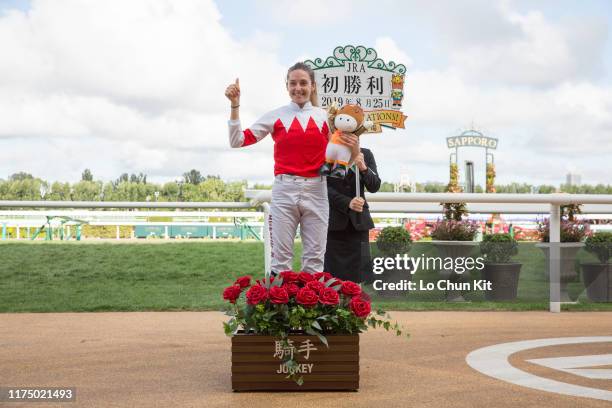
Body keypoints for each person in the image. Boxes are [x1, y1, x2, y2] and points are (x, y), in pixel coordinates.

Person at [224, 62, 358, 275]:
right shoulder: (275, 115)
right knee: (281, 259)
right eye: (293, 83)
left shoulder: (327, 118)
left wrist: (355, 144)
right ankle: (279, 307)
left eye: (303, 83)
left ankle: (310, 306)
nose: (298, 88)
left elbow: (346, 161)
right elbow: (237, 140)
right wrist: (235, 106)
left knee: (314, 259)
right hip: (284, 191)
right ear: (286, 86)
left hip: (317, 190)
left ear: (312, 86)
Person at [324, 146, 381, 283]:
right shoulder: (330, 153)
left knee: (358, 275)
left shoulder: (365, 154)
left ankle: (356, 304)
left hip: (358, 223)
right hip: (334, 224)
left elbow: (374, 186)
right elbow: (324, 187)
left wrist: (363, 167)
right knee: (332, 277)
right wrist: (347, 203)